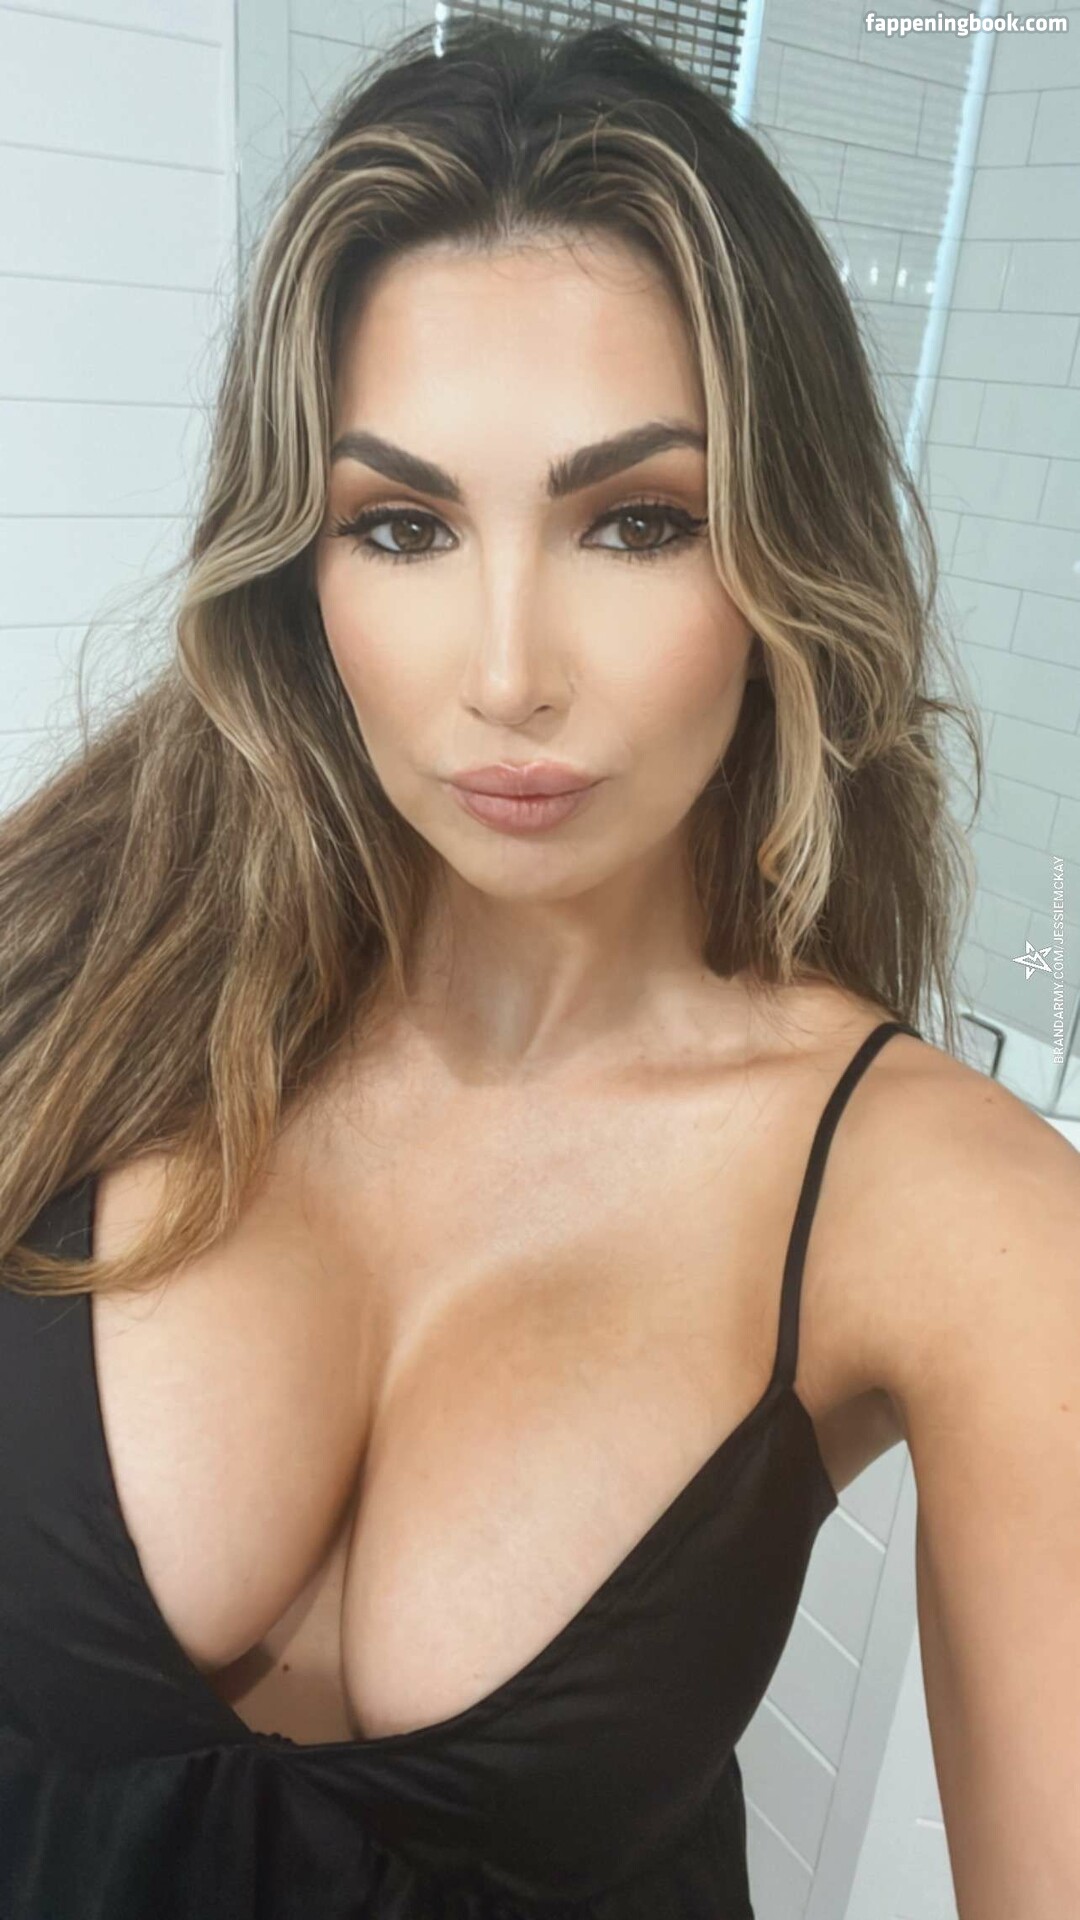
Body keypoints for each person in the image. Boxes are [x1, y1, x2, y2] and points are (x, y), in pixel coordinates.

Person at [1, 17, 1077, 1920]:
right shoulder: (72, 963)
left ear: (783, 553)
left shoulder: (951, 1213)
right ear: (301, 566)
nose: (508, 673)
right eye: (402, 526)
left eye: (636, 522)